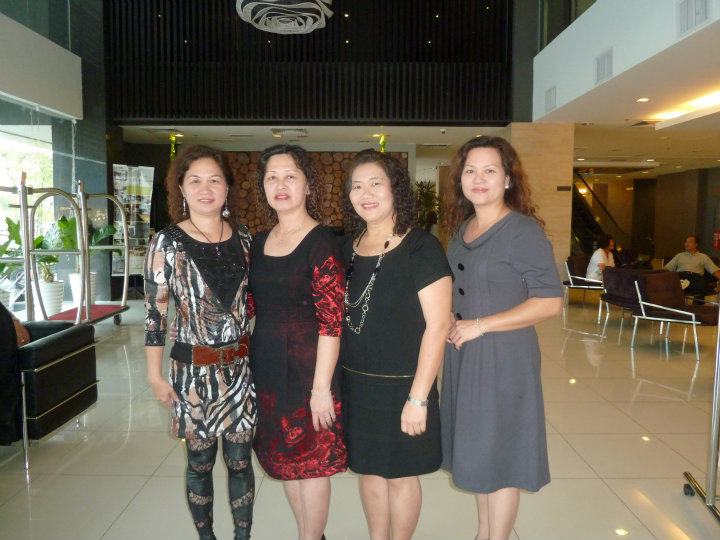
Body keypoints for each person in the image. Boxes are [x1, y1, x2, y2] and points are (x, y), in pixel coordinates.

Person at [441, 136, 563, 540]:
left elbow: (549, 302)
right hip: (465, 353)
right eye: (470, 170)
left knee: (502, 453)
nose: (479, 179)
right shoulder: (464, 229)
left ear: (508, 179)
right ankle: (484, 533)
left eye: (489, 170)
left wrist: (481, 324)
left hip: (504, 356)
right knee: (478, 451)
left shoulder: (522, 231)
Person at [144, 145, 257, 540]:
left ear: (227, 187)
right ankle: (206, 537)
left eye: (214, 180)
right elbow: (155, 316)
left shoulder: (244, 237)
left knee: (241, 461)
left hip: (240, 371)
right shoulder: (166, 242)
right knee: (200, 462)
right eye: (195, 180)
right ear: (181, 188)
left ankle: (242, 536)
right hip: (192, 374)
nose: (205, 189)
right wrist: (155, 376)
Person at [341, 149, 452, 540]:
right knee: (368, 471)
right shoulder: (348, 247)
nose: (366, 193)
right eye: (357, 186)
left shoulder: (421, 247)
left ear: (395, 190)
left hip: (404, 386)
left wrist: (419, 397)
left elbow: (438, 325)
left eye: (376, 183)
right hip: (357, 383)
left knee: (402, 475)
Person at [249, 144, 347, 540]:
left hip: (311, 369)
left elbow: (332, 322)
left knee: (313, 462)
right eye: (272, 177)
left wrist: (321, 390)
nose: (281, 185)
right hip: (268, 366)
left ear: (308, 185)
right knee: (286, 461)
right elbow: (249, 305)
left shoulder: (322, 242)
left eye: (290, 176)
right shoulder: (259, 242)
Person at [664, 235, 720, 299]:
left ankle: (697, 304)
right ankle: (676, 303)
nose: (687, 244)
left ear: (696, 245)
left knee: (702, 284)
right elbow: (666, 269)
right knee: (671, 283)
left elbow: (713, 270)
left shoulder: (703, 257)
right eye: (686, 242)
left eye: (690, 242)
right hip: (680, 276)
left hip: (695, 278)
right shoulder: (679, 256)